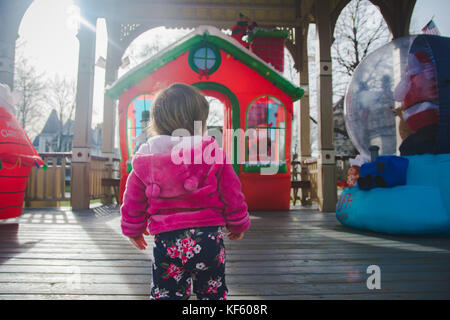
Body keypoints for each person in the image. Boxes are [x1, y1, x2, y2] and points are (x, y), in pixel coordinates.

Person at [120, 83, 250, 300]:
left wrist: (133, 227)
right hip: (208, 238)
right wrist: (237, 222)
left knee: (166, 294)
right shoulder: (212, 152)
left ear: (157, 121)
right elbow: (232, 192)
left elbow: (133, 197)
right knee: (211, 292)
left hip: (167, 240)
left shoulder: (147, 156)